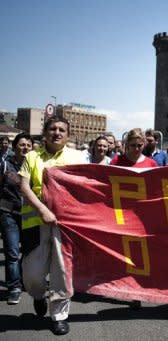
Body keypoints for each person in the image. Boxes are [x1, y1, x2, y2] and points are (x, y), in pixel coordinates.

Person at [19, 116, 86, 335]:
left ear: (67, 135)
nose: (57, 133)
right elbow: (24, 187)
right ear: (45, 132)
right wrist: (43, 210)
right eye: (53, 129)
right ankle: (38, 295)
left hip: (66, 225)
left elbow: (87, 187)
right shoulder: (32, 156)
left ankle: (59, 316)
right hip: (35, 223)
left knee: (61, 272)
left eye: (61, 130)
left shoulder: (77, 157)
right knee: (33, 275)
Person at [0, 133, 33, 305]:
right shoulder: (5, 164)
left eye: (28, 145)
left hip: (29, 215)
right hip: (8, 214)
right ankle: (14, 287)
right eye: (22, 144)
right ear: (14, 147)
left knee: (28, 251)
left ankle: (20, 278)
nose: (25, 147)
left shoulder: (35, 165)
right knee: (12, 252)